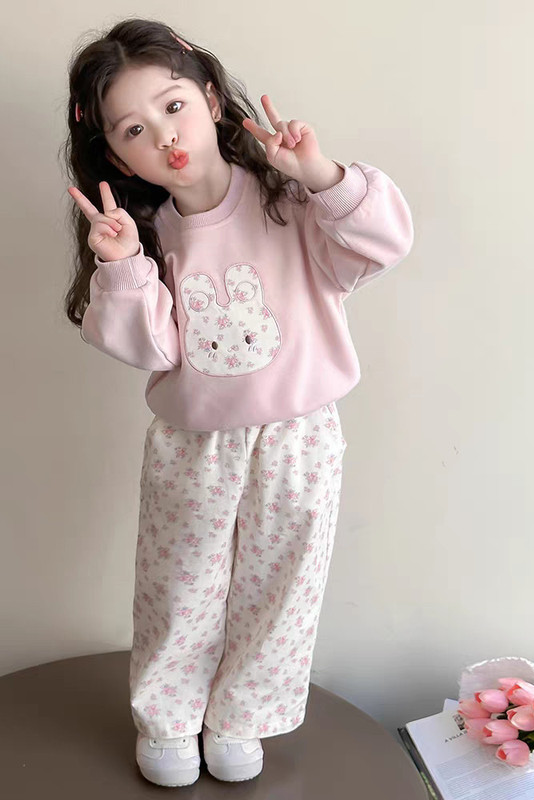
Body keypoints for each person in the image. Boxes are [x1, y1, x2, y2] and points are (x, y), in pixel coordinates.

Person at [61, 16, 414, 788]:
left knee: (282, 586)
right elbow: (150, 348)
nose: (165, 135)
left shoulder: (291, 201)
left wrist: (323, 174)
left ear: (212, 100)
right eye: (134, 129)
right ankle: (168, 721)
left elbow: (382, 243)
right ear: (115, 155)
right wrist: (121, 264)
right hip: (195, 446)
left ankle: (239, 718)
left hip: (301, 436)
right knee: (179, 589)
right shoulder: (148, 233)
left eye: (174, 106)